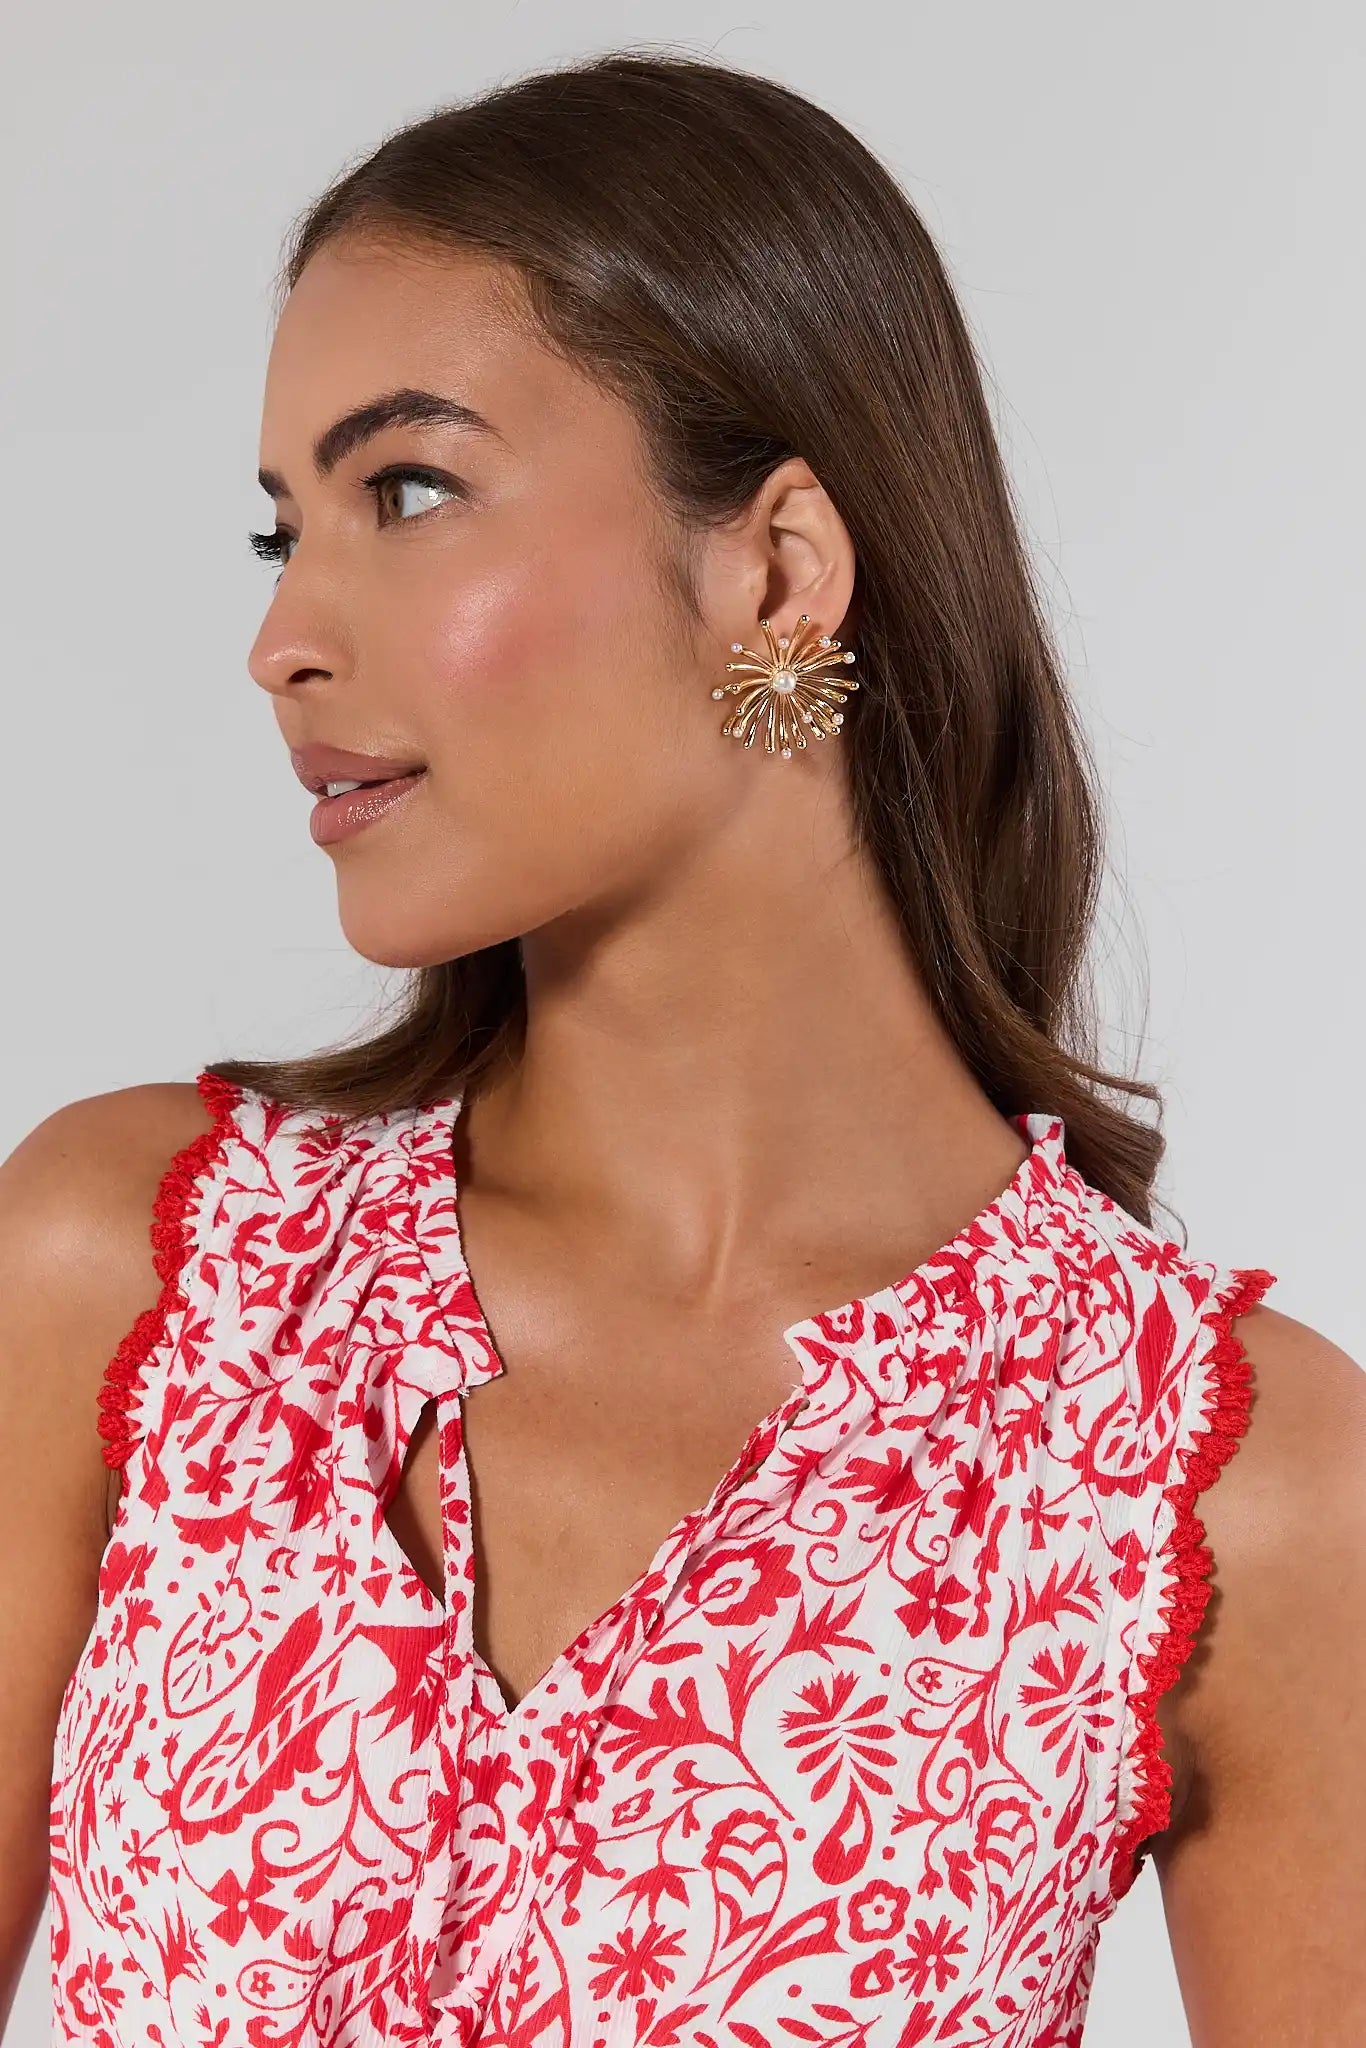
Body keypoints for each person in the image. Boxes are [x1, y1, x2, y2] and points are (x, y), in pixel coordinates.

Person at [2, 48, 1362, 2048]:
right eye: (279, 530)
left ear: (774, 569)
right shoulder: (134, 1272)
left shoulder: (1217, 1484)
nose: (283, 638)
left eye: (406, 490)